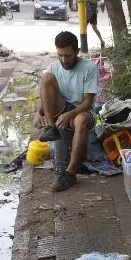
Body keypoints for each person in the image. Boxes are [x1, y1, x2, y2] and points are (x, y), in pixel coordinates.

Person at [35, 31, 99, 192]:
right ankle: (52, 128)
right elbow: (45, 97)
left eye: (68, 55)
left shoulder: (89, 68)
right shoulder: (53, 68)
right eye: (60, 55)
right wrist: (39, 113)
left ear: (77, 51)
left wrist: (70, 114)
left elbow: (88, 103)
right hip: (61, 108)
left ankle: (70, 174)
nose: (64, 60)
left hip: (81, 111)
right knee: (46, 78)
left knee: (81, 120)